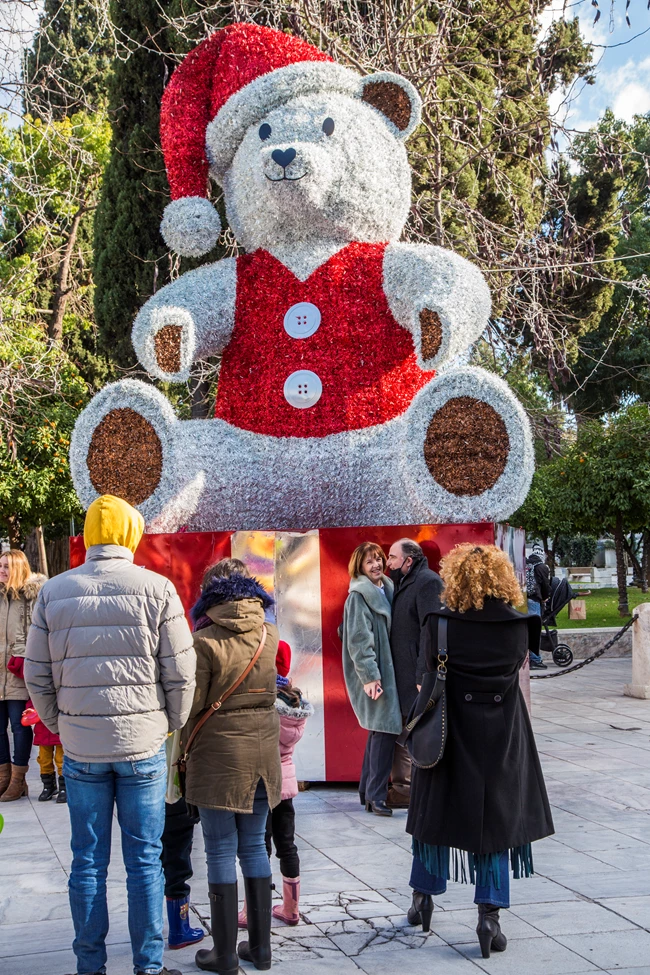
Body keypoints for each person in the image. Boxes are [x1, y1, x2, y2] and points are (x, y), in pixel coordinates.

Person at [24, 494, 195, 975]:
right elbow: (182, 672)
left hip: (81, 749)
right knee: (145, 862)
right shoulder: (158, 588)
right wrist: (169, 722)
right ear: (131, 534)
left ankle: (90, 966)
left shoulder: (53, 592)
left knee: (87, 862)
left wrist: (62, 724)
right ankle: (148, 967)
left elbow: (36, 674)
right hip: (143, 745)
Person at [406, 543, 554, 958]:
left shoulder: (440, 622)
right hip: (502, 733)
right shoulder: (522, 622)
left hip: (448, 732)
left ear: (455, 577)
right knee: (496, 824)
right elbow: (518, 665)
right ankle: (489, 917)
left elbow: (428, 672)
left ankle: (423, 899)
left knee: (432, 816)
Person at [185, 558, 282, 974]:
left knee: (221, 849)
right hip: (263, 751)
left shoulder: (203, 639)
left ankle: (224, 955)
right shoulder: (269, 632)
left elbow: (192, 704)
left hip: (218, 754)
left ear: (209, 594)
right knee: (256, 846)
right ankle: (260, 950)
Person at [342, 542, 402, 817]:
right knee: (385, 730)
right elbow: (358, 639)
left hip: (385, 670)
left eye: (378, 559)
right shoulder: (359, 595)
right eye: (370, 562)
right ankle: (377, 797)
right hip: (374, 673)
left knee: (379, 730)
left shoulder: (385, 587)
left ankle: (368, 793)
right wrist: (369, 677)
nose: (377, 564)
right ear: (360, 567)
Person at [385, 538, 442, 808]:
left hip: (416, 676)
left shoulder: (428, 582)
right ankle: (403, 789)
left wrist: (422, 676)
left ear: (408, 560)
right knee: (404, 728)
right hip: (402, 673)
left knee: (414, 729)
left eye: (393, 558)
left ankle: (409, 790)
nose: (388, 563)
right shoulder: (404, 582)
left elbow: (431, 632)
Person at [0, 549, 46, 802]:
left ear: (18, 567)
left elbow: (38, 636)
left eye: (7, 566)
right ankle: (3, 779)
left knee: (19, 726)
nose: (2, 570)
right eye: (0, 565)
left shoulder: (33, 598)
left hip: (17, 673)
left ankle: (18, 781)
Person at [161, 795, 205, 950]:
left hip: (144, 800)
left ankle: (149, 924)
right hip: (176, 802)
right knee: (178, 866)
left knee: (148, 867)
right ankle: (179, 929)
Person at [20, 704, 67, 803]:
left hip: (59, 729)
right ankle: (48, 786)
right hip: (43, 730)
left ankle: (64, 787)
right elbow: (34, 699)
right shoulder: (39, 689)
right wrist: (30, 710)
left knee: (61, 760)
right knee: (44, 760)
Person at [526, 542, 552, 670]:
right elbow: (545, 585)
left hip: (522, 600)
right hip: (534, 600)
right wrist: (545, 597)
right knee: (534, 631)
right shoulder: (542, 567)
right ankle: (535, 660)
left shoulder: (526, 564)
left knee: (526, 630)